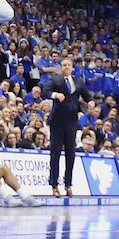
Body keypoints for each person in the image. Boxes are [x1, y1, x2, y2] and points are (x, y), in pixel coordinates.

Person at [44, 56, 91, 197]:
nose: (66, 67)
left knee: (71, 154)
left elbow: (88, 96)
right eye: (63, 65)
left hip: (71, 122)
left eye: (68, 65)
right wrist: (55, 94)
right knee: (55, 153)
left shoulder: (78, 81)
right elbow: (44, 92)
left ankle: (68, 184)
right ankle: (54, 184)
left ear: (72, 67)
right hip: (57, 121)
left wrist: (91, 103)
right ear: (60, 67)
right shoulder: (55, 79)